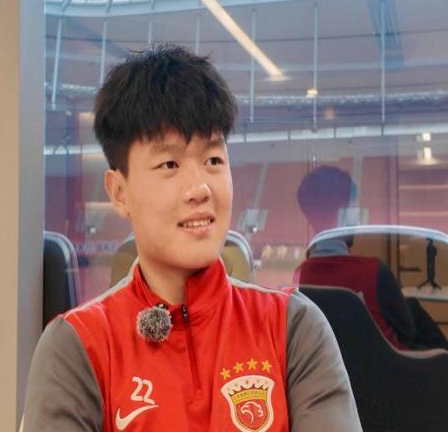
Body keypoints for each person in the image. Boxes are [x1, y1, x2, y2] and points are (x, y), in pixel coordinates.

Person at [22, 46, 361, 431]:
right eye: (169, 164)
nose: (200, 188)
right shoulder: (76, 345)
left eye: (213, 160)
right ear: (119, 192)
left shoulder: (292, 327)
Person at [295, 165, 448, 351]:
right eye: (355, 207)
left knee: (411, 306)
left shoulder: (300, 276)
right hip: (393, 365)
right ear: (344, 211)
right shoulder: (373, 272)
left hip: (340, 364)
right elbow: (408, 333)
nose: (359, 217)